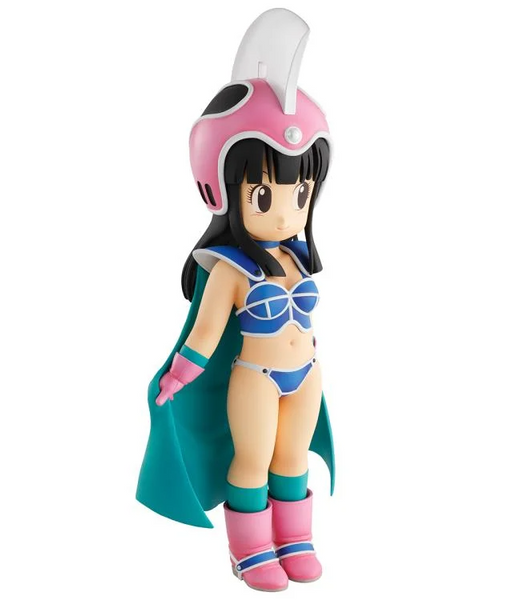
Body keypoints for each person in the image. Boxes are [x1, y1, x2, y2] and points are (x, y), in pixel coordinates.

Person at [136, 9, 335, 592]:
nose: (287, 210)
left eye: (301, 191)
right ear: (223, 189)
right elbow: (204, 332)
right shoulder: (228, 269)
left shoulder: (297, 255)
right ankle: (249, 549)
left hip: (307, 375)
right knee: (252, 459)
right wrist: (179, 375)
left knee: (291, 457)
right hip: (257, 378)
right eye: (265, 194)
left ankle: (295, 539)